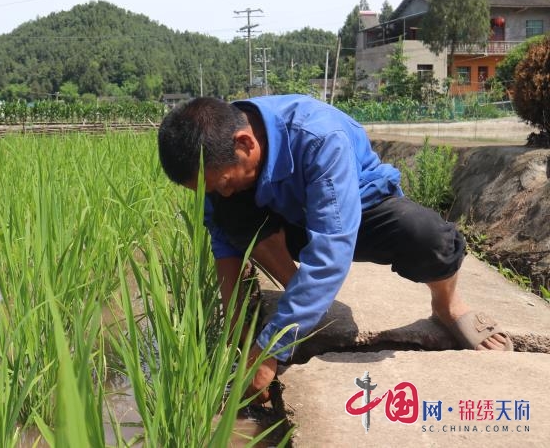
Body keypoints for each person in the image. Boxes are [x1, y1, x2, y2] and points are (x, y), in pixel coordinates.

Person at [157, 94, 512, 403]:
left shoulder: (319, 136)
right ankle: (303, 297)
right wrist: (234, 333)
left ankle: (446, 304)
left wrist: (269, 350)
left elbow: (331, 249)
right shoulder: (217, 148)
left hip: (358, 210)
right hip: (291, 217)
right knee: (229, 211)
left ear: (246, 143)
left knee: (429, 237)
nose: (224, 191)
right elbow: (224, 240)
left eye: (223, 182)